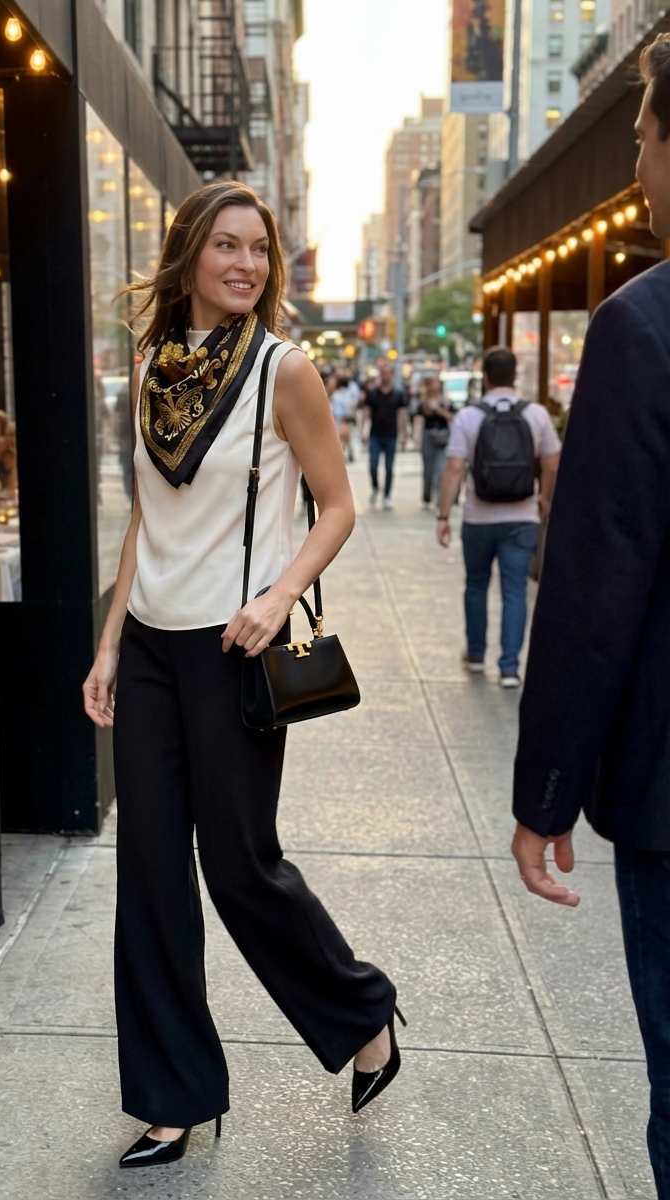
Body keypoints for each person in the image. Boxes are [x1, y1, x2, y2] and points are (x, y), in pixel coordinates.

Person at [82, 180, 404, 1170]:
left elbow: (337, 504)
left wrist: (276, 593)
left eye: (257, 250)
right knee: (148, 875)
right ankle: (171, 1097)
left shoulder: (283, 371)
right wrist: (104, 645)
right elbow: (149, 517)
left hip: (233, 647)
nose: (243, 264)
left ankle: (362, 1011)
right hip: (147, 648)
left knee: (236, 865)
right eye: (224, 245)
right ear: (187, 254)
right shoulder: (149, 372)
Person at [511, 35, 670, 1199]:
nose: (632, 171)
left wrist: (544, 796)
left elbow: (593, 591)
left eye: (637, 140)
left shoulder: (641, 329)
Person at [436, 346, 560, 687]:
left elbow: (454, 467)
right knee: (515, 590)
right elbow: (552, 462)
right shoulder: (536, 415)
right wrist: (544, 498)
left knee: (476, 585)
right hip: (522, 516)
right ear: (515, 375)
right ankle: (509, 667)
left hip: (479, 517)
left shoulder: (469, 417)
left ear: (486, 377)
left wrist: (443, 515)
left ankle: (476, 655)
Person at [359, 359, 407, 509]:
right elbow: (366, 412)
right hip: (375, 434)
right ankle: (375, 486)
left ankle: (387, 495)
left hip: (391, 435)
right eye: (382, 373)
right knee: (373, 465)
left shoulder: (398, 394)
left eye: (387, 373)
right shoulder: (373, 393)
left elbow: (402, 414)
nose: (385, 376)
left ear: (392, 375)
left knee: (389, 467)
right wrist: (363, 431)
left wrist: (404, 435)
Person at [418, 375, 454, 509]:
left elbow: (452, 417)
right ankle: (427, 496)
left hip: (443, 436)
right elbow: (419, 419)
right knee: (428, 469)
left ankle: (440, 498)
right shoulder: (423, 402)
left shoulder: (446, 401)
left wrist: (438, 409)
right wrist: (417, 438)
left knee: (440, 468)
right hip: (428, 435)